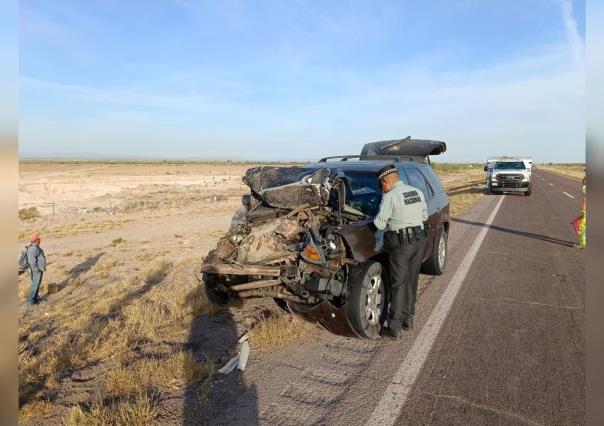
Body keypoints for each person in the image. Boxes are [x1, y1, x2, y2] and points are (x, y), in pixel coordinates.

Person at [374, 165, 428, 338]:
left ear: (386, 181)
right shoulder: (416, 192)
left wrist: (384, 208)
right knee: (412, 281)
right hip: (419, 241)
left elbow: (379, 224)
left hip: (402, 245)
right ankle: (408, 319)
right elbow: (424, 216)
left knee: (398, 284)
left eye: (381, 185)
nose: (382, 188)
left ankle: (394, 327)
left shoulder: (390, 196)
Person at [27, 233, 46, 305]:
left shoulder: (36, 247)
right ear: (36, 240)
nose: (40, 240)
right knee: (35, 284)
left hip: (38, 269)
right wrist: (36, 269)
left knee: (36, 284)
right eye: (39, 239)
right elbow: (32, 262)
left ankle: (35, 297)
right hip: (36, 270)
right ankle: (31, 300)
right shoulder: (32, 249)